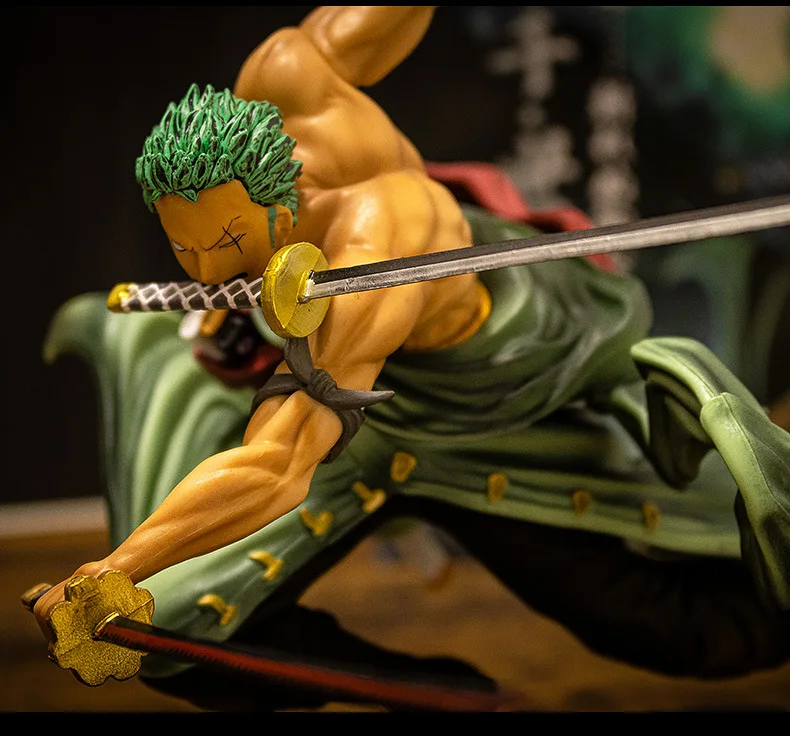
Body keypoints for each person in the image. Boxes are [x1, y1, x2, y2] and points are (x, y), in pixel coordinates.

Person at [33, 7, 789, 711]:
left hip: (487, 410)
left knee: (690, 633)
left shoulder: (375, 246)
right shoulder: (288, 69)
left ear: (282, 203)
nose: (205, 274)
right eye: (183, 246)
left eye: (229, 244)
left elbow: (278, 463)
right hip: (351, 399)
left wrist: (113, 568)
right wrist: (126, 576)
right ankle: (437, 695)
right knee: (178, 637)